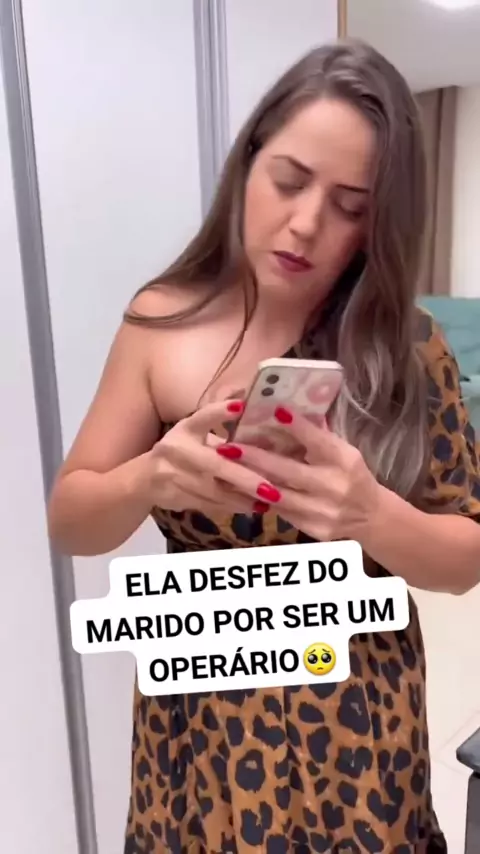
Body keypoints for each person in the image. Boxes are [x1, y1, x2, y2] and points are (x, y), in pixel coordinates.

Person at [48, 38, 480, 854]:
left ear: (381, 223)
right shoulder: (160, 321)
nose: (307, 223)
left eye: (351, 205)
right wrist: (150, 477)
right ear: (247, 163)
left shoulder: (407, 347)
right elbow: (71, 520)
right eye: (288, 180)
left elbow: (465, 558)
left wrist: (370, 515)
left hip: (356, 722)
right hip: (200, 725)